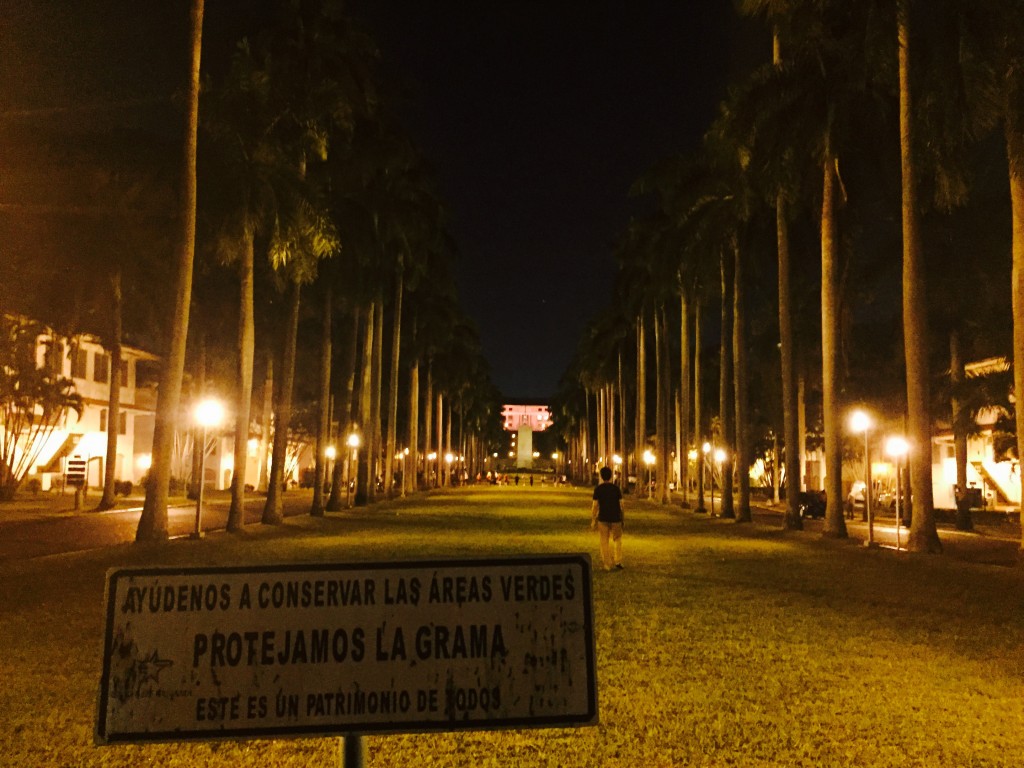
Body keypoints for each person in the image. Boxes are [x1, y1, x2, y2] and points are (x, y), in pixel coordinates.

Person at [591, 466, 624, 571]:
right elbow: (622, 505)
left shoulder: (598, 489)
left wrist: (593, 519)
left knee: (604, 541)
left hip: (603, 518)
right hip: (615, 518)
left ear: (601, 476)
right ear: (610, 476)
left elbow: (595, 505)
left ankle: (607, 564)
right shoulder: (616, 489)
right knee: (617, 539)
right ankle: (618, 560)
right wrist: (622, 518)